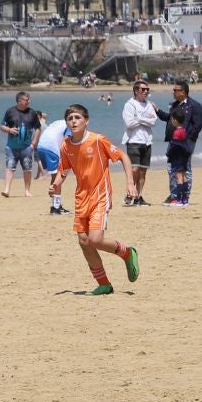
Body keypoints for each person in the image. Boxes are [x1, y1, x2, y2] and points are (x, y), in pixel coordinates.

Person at [48, 104, 140, 295]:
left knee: (95, 239)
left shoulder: (98, 140)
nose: (73, 121)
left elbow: (122, 156)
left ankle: (127, 253)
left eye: (77, 117)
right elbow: (63, 170)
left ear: (86, 121)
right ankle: (104, 284)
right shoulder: (65, 145)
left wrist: (130, 183)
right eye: (70, 118)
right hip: (81, 198)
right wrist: (56, 184)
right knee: (84, 241)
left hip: (100, 195)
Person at [154, 80, 202, 206]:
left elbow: (197, 126)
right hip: (173, 141)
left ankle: (184, 196)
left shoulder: (195, 105)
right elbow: (168, 118)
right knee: (172, 169)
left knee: (185, 169)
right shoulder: (175, 104)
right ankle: (175, 195)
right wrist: (157, 110)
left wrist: (187, 139)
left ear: (183, 92)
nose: (173, 92)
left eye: (176, 90)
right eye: (173, 90)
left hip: (186, 143)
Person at [0, 91, 42, 199]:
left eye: (29, 99)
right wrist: (9, 129)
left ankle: (27, 191)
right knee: (10, 168)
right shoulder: (10, 111)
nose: (29, 101)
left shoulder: (32, 113)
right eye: (27, 100)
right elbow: (1, 126)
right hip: (11, 147)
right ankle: (7, 190)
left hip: (27, 147)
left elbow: (38, 128)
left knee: (27, 169)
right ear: (20, 101)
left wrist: (34, 143)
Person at [35, 116, 69, 215]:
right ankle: (55, 207)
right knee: (59, 175)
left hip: (41, 146)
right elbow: (67, 142)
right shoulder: (71, 125)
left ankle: (56, 205)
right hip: (51, 148)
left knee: (55, 176)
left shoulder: (58, 121)